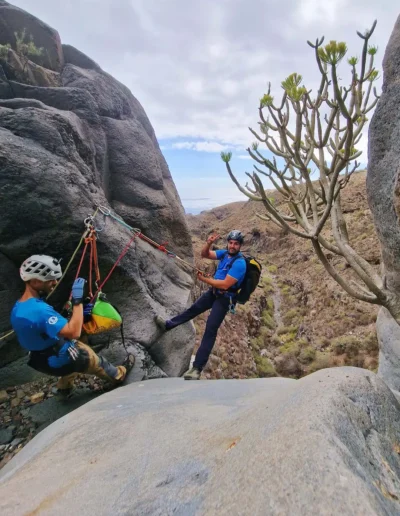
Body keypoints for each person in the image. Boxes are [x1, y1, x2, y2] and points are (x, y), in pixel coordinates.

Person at [10, 254, 134, 397]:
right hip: (59, 357)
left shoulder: (19, 307)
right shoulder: (40, 311)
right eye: (51, 280)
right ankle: (118, 375)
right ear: (36, 281)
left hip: (39, 359)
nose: (55, 282)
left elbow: (44, 327)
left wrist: (76, 314)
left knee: (74, 349)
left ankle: (64, 388)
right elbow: (74, 332)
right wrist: (77, 301)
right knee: (92, 359)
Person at [155, 230, 246, 380]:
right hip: (214, 292)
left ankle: (197, 369)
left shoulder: (240, 263)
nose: (232, 246)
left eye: (236, 244)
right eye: (230, 243)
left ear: (240, 245)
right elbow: (205, 254)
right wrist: (209, 243)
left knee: (210, 329)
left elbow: (225, 284)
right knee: (193, 309)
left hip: (224, 298)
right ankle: (168, 325)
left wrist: (205, 280)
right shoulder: (224, 254)